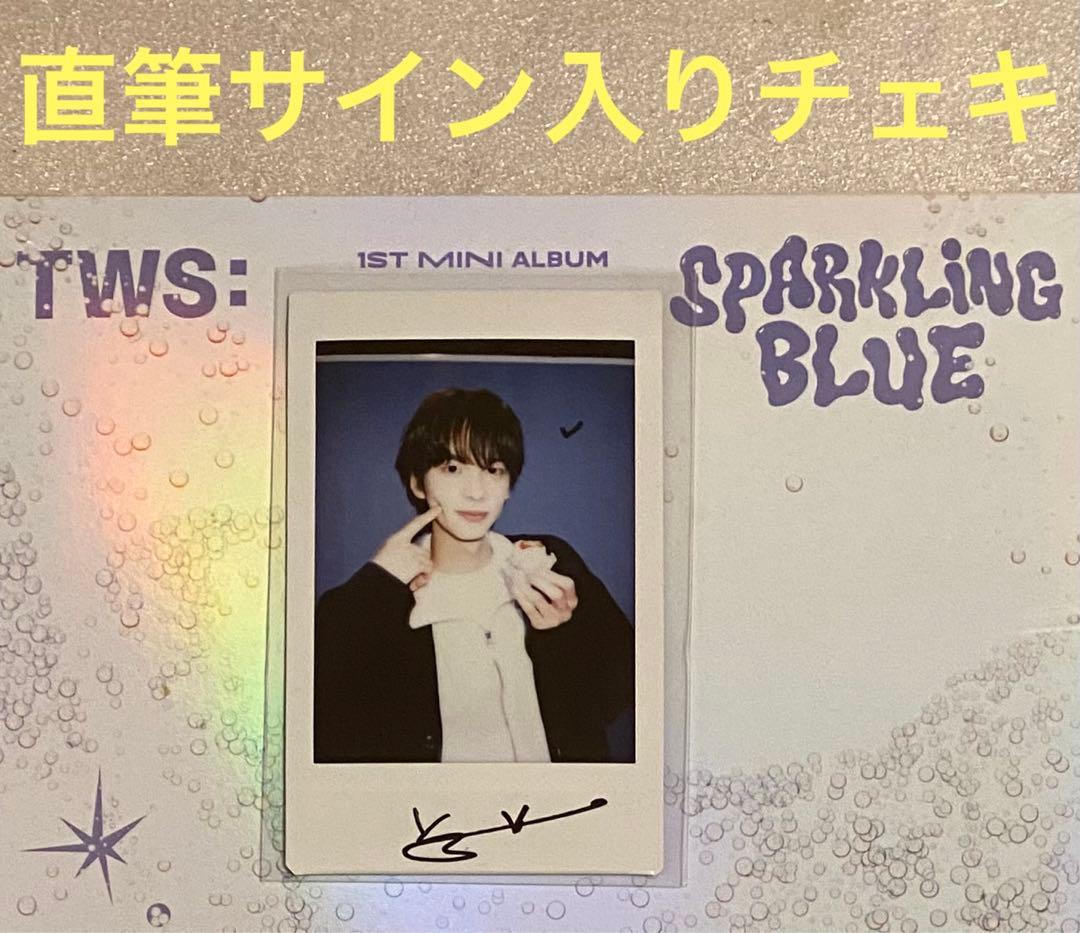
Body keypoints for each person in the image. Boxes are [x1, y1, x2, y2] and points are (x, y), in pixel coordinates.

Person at [314, 387, 635, 763]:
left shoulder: (550, 562)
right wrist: (374, 586)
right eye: (452, 468)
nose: (477, 492)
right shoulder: (381, 596)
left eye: (493, 470)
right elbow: (324, 728)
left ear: (508, 485)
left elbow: (619, 695)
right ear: (418, 483)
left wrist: (565, 633)